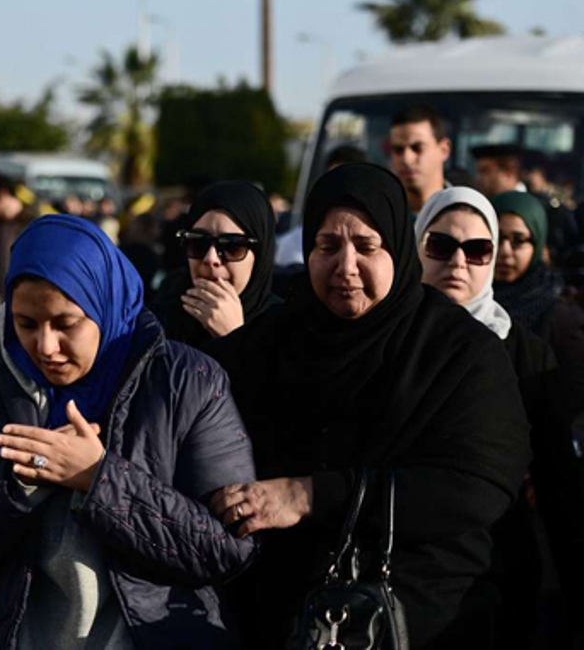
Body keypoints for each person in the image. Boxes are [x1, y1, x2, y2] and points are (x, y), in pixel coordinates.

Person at [206, 164, 531, 649]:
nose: (346, 267)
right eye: (327, 246)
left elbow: (477, 485)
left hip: (417, 619)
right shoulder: (266, 346)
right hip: (277, 617)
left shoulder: (459, 354)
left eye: (366, 246)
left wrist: (308, 494)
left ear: (399, 248)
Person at [0, 215, 257, 649]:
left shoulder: (187, 382)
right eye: (26, 324)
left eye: (66, 323)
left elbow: (227, 550)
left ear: (103, 304)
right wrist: (16, 484)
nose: (45, 347)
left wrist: (99, 478)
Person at [416, 187, 584, 648]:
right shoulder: (386, 343)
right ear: (416, 247)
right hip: (405, 575)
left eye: (476, 250)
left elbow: (557, 481)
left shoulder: (525, 353)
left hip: (498, 573)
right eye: (441, 245)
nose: (458, 262)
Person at [492, 190, 584, 473]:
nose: (505, 251)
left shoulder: (560, 314)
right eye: (497, 240)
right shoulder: (469, 303)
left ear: (539, 242)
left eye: (519, 241)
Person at [152, 181, 276, 348]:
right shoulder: (158, 320)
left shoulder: (287, 334)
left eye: (232, 246)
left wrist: (234, 339)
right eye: (198, 242)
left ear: (261, 254)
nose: (211, 259)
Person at [388, 105, 451, 213]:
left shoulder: (468, 212)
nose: (407, 159)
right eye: (398, 150)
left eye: (417, 148)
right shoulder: (377, 217)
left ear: (444, 150)